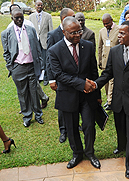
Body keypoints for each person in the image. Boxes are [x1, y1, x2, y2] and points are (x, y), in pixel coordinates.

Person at [88, 21, 129, 179]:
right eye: (119, 33)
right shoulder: (115, 51)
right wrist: (96, 84)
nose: (119, 36)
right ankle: (121, 146)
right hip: (118, 99)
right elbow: (108, 73)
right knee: (120, 128)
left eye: (122, 33)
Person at [48, 17, 101, 170]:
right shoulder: (54, 50)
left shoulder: (88, 46)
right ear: (64, 32)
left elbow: (93, 71)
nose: (78, 35)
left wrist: (97, 94)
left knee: (89, 125)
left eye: (79, 31)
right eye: (73, 33)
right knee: (71, 127)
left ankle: (90, 153)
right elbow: (58, 75)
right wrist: (80, 83)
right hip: (67, 95)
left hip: (87, 95)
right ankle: (77, 154)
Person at [1, 8, 44, 127]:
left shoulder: (30, 30)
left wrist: (40, 65)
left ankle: (38, 114)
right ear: (12, 18)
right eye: (17, 18)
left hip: (31, 66)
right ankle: (27, 116)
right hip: (18, 67)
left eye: (21, 17)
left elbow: (37, 48)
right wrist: (11, 67)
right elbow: (6, 53)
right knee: (23, 93)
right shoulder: (6, 33)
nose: (19, 20)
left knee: (34, 91)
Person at [7, 3, 49, 110]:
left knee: (33, 86)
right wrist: (11, 67)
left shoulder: (29, 25)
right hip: (19, 64)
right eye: (14, 12)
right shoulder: (9, 28)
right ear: (11, 16)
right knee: (23, 88)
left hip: (31, 61)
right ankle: (26, 107)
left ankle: (41, 100)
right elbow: (8, 50)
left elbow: (35, 42)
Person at [46, 8, 75, 143]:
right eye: (72, 17)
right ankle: (63, 130)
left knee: (75, 101)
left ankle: (74, 125)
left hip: (74, 76)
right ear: (64, 19)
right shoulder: (53, 35)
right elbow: (49, 59)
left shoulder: (75, 32)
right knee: (63, 104)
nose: (75, 19)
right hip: (60, 77)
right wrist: (52, 79)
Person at [29, 0, 53, 85]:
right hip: (35, 41)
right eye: (38, 5)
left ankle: (46, 77)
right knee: (37, 60)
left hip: (44, 42)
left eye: (41, 5)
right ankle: (39, 77)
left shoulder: (48, 16)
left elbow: (51, 31)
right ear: (35, 6)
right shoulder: (31, 17)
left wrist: (50, 42)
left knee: (46, 60)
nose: (39, 7)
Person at [98, 14, 119, 110]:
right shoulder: (102, 31)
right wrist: (100, 60)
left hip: (115, 60)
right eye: (104, 24)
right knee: (105, 81)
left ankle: (110, 101)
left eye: (107, 23)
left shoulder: (118, 29)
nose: (106, 25)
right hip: (105, 60)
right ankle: (108, 99)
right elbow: (100, 47)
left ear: (112, 20)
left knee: (112, 81)